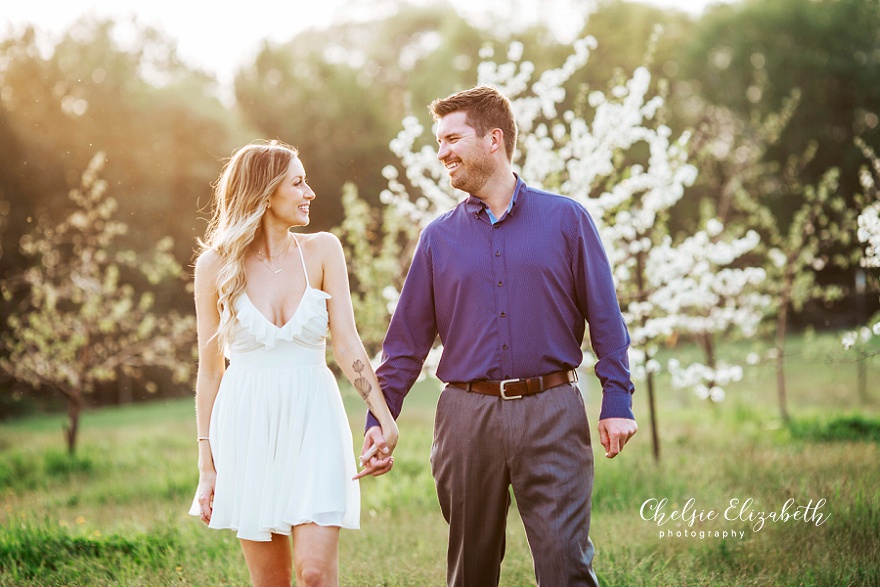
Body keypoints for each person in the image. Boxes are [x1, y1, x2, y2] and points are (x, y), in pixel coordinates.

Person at [359, 86, 638, 586]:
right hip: (466, 420)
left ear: (493, 139)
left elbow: (606, 319)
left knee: (566, 566)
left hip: (552, 412)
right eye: (437, 140)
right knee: (471, 571)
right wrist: (380, 417)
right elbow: (405, 343)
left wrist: (617, 399)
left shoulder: (567, 220)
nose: (441, 151)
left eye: (451, 138)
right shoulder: (437, 238)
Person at [188, 140, 397, 587]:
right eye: (298, 182)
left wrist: (383, 416)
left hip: (313, 417)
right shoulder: (214, 267)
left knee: (316, 574)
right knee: (272, 582)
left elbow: (347, 343)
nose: (310, 193)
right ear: (265, 193)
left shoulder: (323, 250)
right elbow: (210, 372)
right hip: (246, 425)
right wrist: (207, 467)